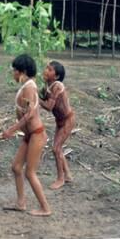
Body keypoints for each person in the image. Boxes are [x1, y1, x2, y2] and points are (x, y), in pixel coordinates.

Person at [1, 54, 51, 216]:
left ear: (22, 72)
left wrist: (11, 130)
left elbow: (29, 115)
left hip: (36, 134)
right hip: (29, 135)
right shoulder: (28, 86)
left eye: (14, 71)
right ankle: (21, 203)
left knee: (30, 172)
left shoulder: (29, 87)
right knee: (16, 167)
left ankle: (45, 208)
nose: (13, 74)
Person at [39, 61, 75, 190]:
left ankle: (60, 179)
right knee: (57, 148)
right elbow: (43, 98)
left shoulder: (57, 86)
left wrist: (36, 98)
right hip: (59, 121)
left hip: (67, 120)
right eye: (46, 68)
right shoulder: (47, 85)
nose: (46, 71)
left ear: (57, 76)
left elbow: (48, 106)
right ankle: (68, 176)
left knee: (56, 149)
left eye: (49, 70)